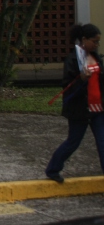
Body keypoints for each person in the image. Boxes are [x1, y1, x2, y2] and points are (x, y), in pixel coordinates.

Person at [46, 23, 104, 183]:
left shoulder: (96, 57)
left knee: (102, 144)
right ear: (84, 39)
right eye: (94, 41)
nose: (97, 44)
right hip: (80, 110)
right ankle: (53, 169)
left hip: (98, 108)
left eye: (98, 42)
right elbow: (67, 86)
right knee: (73, 142)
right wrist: (82, 79)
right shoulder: (72, 59)